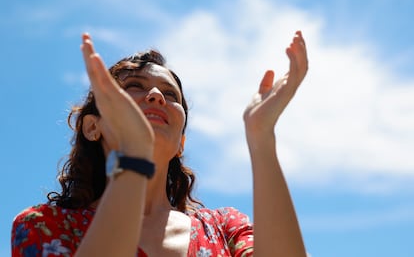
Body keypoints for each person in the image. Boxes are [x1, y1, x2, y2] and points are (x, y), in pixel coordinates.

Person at [11, 30, 308, 256]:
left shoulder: (224, 227)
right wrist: (133, 154)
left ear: (180, 143)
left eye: (170, 94)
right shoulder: (44, 225)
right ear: (92, 127)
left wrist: (261, 136)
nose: (155, 95)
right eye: (134, 87)